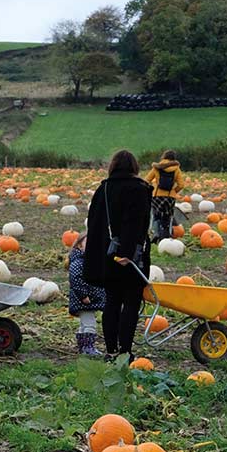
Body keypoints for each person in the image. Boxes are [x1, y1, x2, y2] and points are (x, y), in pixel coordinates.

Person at [84, 150, 151, 361]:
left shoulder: (103, 189)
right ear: (134, 167)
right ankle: (125, 352)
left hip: (107, 255)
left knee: (111, 302)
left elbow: (94, 223)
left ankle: (111, 350)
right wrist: (127, 253)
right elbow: (135, 223)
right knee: (131, 302)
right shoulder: (139, 189)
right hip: (131, 256)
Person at [68, 232, 106, 355]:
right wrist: (83, 296)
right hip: (83, 300)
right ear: (79, 246)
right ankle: (88, 347)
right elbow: (76, 280)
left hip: (89, 299)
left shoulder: (89, 261)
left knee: (84, 324)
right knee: (90, 324)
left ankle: (83, 346)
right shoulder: (78, 262)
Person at [143, 150, 185, 242]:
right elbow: (181, 185)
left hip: (157, 196)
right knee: (167, 217)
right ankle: (165, 237)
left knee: (156, 215)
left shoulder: (157, 167)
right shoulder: (176, 169)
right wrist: (174, 191)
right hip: (170, 197)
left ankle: (156, 233)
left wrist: (150, 190)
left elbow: (146, 180)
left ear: (163, 157)